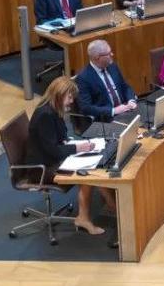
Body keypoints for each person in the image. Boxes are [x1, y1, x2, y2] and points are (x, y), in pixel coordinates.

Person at [26, 77, 115, 235]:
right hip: (42, 167)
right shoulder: (45, 115)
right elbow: (53, 151)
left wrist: (72, 144)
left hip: (51, 158)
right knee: (87, 174)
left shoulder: (53, 109)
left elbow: (60, 138)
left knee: (94, 165)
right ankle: (86, 218)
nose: (72, 101)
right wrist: (77, 147)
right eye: (70, 97)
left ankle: (111, 206)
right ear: (59, 95)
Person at [75, 40, 137, 122]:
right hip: (106, 118)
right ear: (97, 57)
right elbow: (86, 108)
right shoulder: (83, 78)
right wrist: (113, 111)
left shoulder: (112, 66)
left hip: (125, 110)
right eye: (108, 53)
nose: (112, 54)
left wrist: (131, 100)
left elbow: (125, 86)